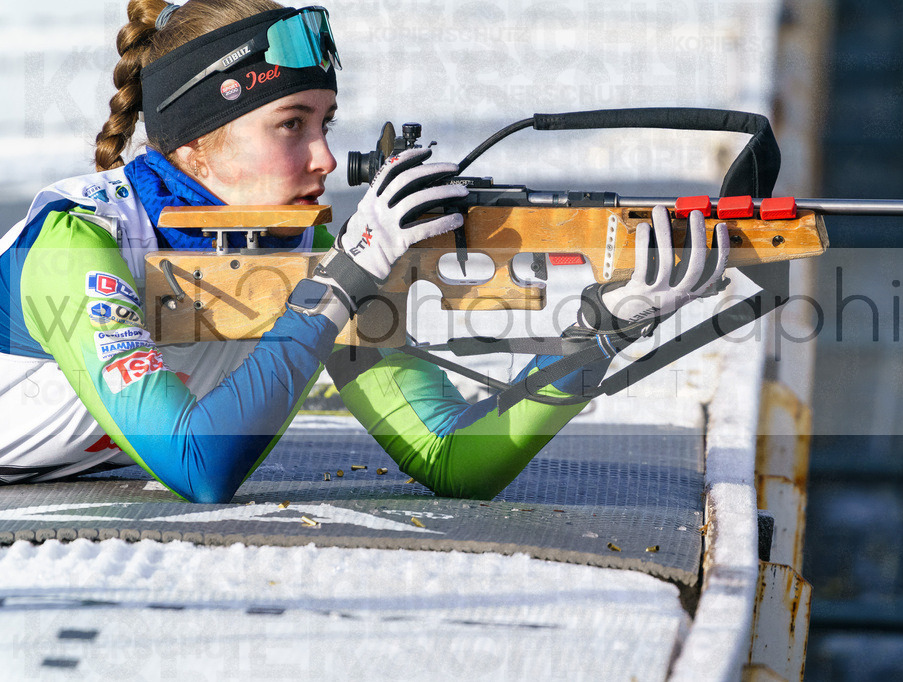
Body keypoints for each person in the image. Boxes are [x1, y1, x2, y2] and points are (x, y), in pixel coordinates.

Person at [0, 0, 727, 504]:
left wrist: (600, 332)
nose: (324, 158)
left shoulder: (303, 250)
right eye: (291, 124)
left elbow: (450, 457)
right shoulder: (77, 241)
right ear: (194, 146)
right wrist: (347, 278)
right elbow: (200, 467)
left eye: (327, 122)